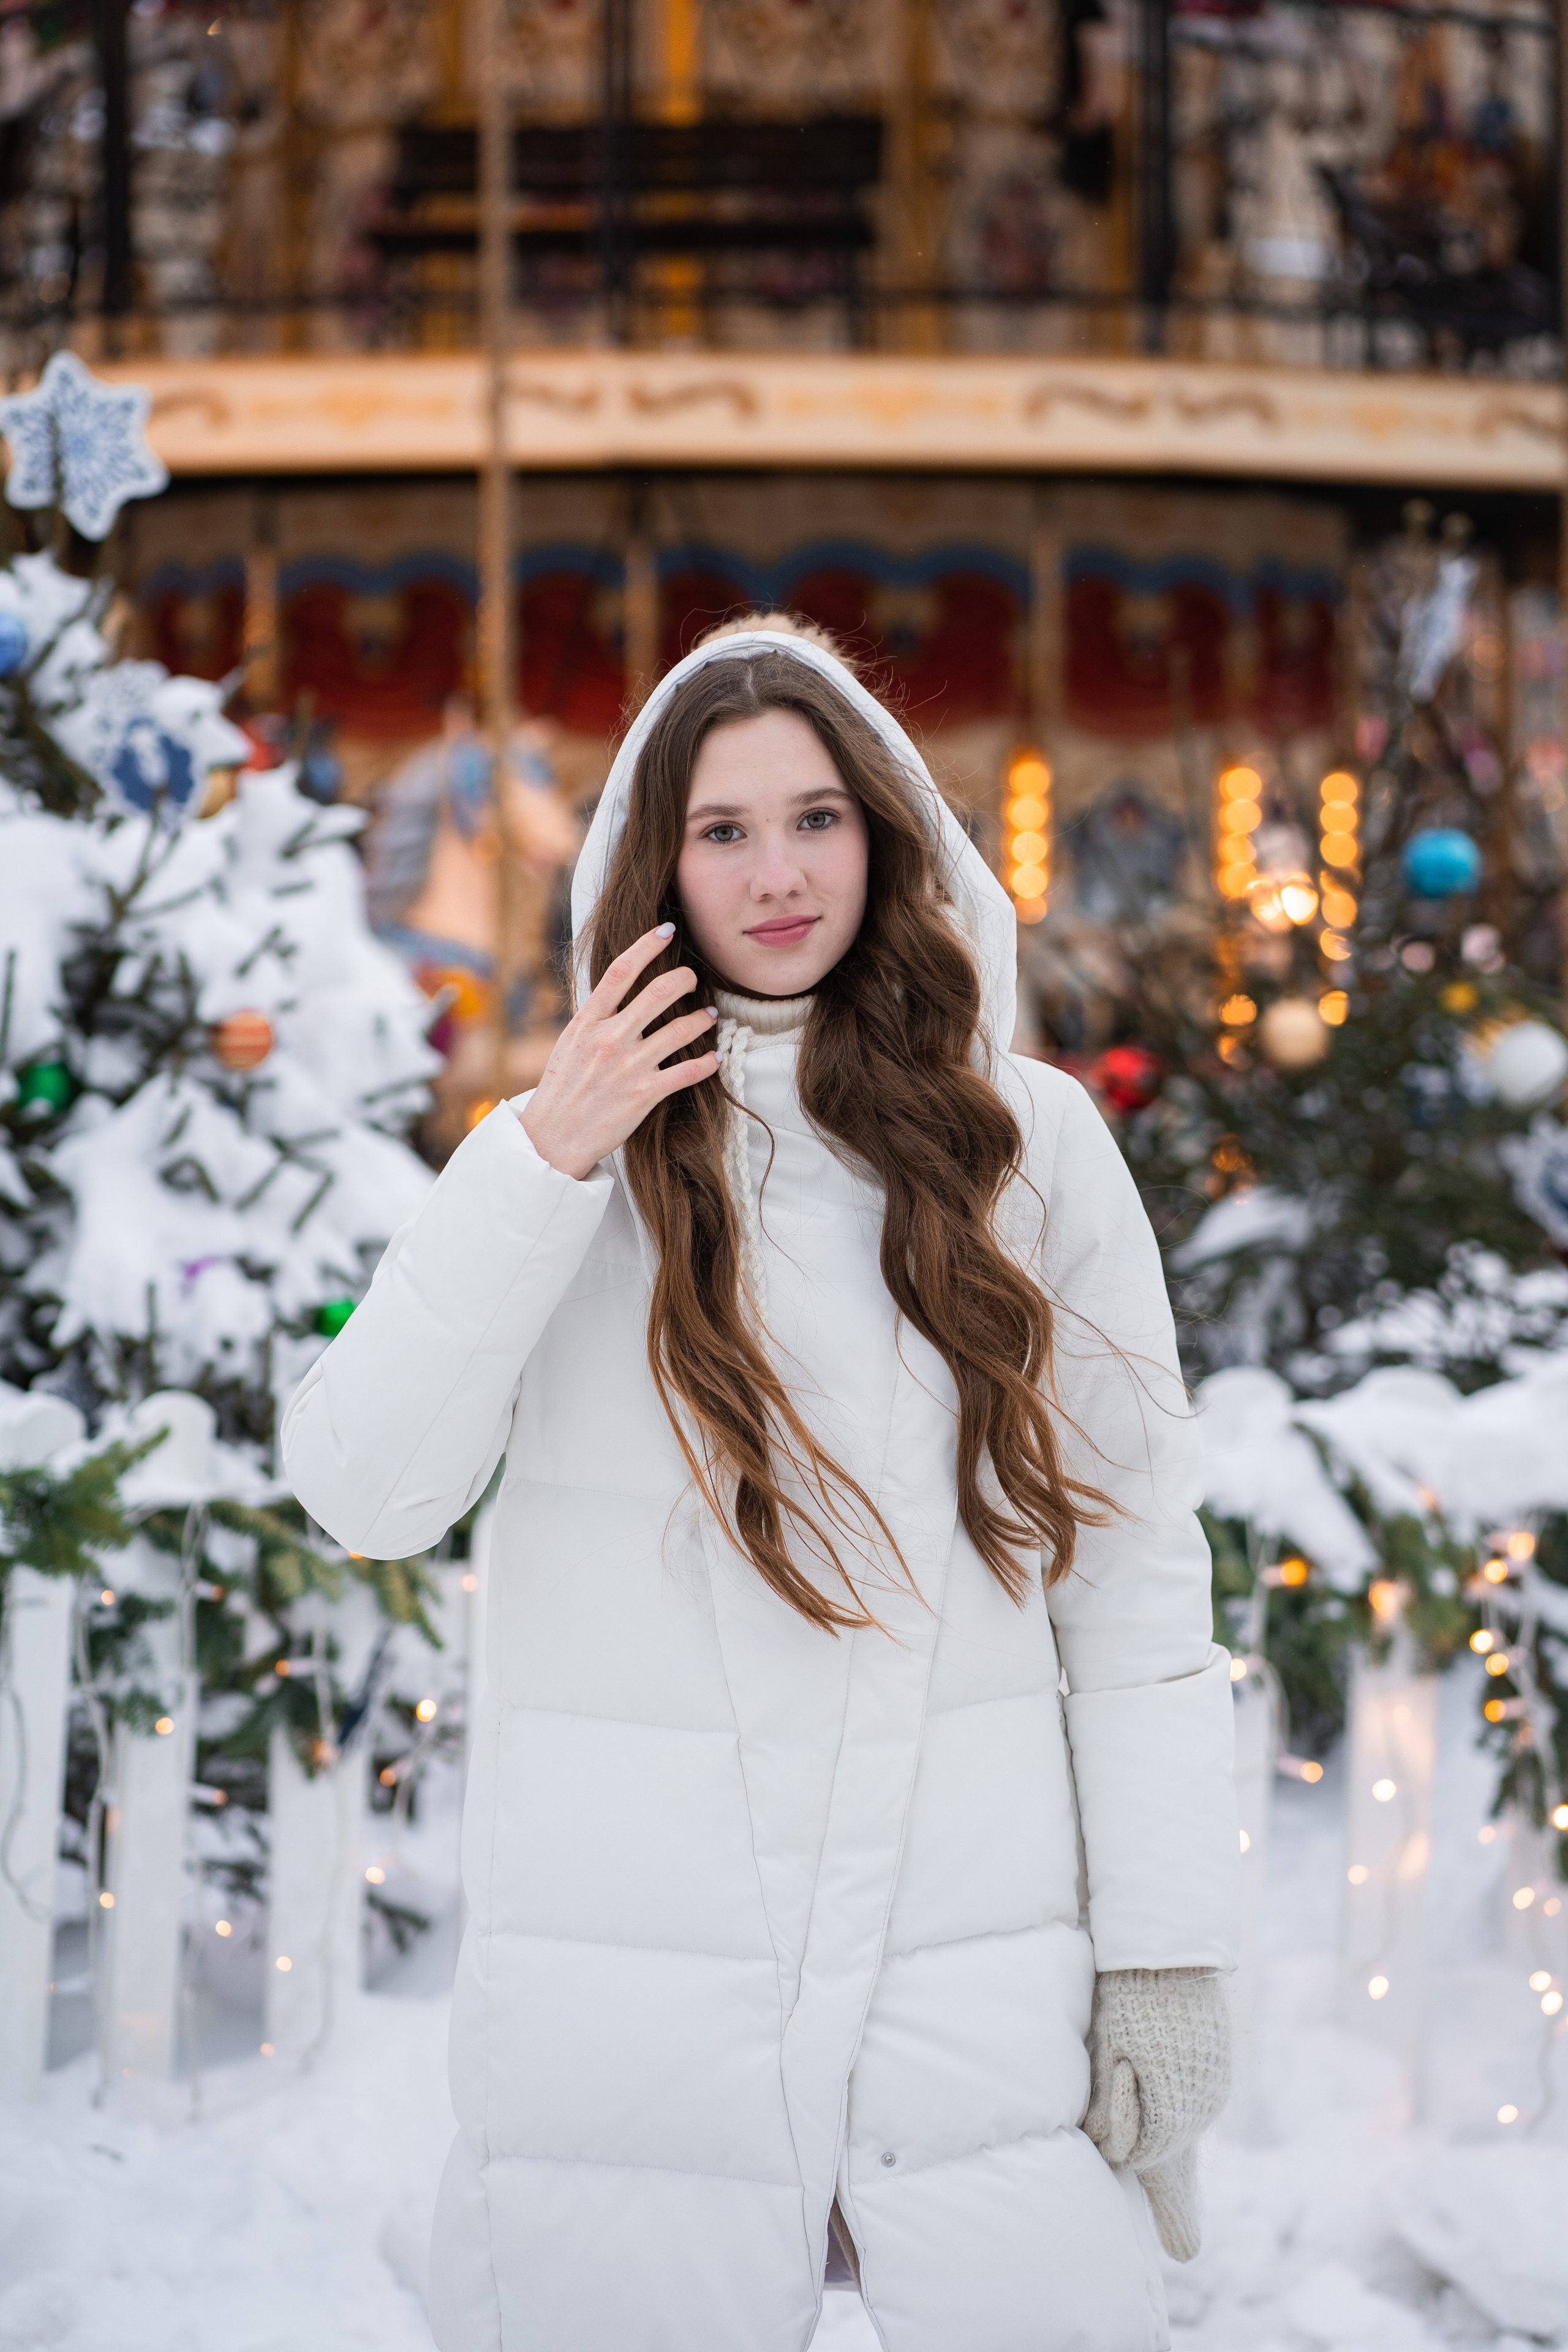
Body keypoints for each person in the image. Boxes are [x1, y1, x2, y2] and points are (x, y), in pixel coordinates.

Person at [282, 616, 1239, 2352]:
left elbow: (1134, 1571)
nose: (778, 874)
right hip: (642, 2013)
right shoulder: (571, 1167)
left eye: (816, 819)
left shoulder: (1027, 1143)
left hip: (964, 1981)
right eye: (723, 831)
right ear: (658, 865)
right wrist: (546, 1152)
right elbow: (365, 1489)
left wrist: (1162, 1951)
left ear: (885, 833)